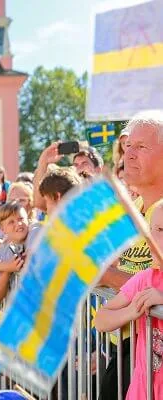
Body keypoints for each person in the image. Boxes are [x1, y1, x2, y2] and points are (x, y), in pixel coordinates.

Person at [97, 111, 163, 400]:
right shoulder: (130, 210)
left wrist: (104, 275)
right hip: (129, 349)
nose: (129, 155)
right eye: (128, 146)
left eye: (142, 147)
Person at [94, 200, 163, 400]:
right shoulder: (145, 278)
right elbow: (101, 319)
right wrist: (132, 310)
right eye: (150, 229)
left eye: (161, 229)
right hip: (143, 388)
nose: (150, 237)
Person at [0, 201, 40, 303]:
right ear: (2, 229)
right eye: (11, 222)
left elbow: (28, 261)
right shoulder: (3, 248)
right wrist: (8, 269)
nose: (18, 224)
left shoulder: (35, 231)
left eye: (21, 219)